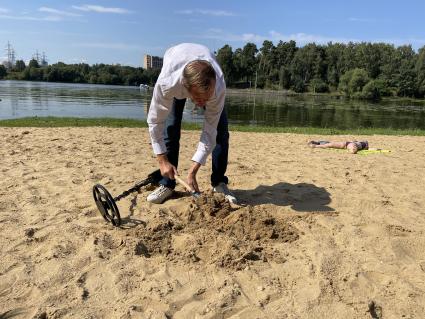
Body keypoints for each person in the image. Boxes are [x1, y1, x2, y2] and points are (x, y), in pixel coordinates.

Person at [146, 43, 237, 204]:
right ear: (187, 88)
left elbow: (210, 132)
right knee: (171, 127)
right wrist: (162, 161)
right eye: (199, 99)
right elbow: (155, 121)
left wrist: (193, 171)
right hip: (175, 70)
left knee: (221, 132)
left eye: (206, 98)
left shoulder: (218, 87)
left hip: (205, 81)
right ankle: (167, 184)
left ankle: (219, 182)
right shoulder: (167, 84)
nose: (202, 104)